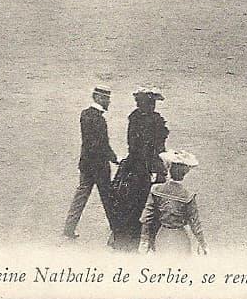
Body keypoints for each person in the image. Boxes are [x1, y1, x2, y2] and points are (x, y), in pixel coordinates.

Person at [110, 86, 169, 250]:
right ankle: (151, 240)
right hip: (147, 167)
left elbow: (132, 145)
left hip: (134, 165)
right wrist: (159, 167)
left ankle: (125, 237)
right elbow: (158, 148)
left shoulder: (134, 118)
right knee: (150, 202)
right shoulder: (156, 121)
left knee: (128, 201)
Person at [63, 86, 118, 240]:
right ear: (98, 98)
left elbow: (90, 143)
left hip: (86, 164)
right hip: (99, 167)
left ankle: (69, 228)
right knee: (108, 199)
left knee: (80, 196)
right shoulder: (99, 119)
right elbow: (102, 144)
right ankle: (117, 230)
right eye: (106, 98)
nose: (109, 101)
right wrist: (114, 159)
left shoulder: (85, 114)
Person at [138, 150, 208, 255]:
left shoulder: (156, 190)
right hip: (180, 238)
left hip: (163, 236)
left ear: (168, 169)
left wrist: (144, 240)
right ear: (184, 173)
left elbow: (146, 218)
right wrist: (203, 245)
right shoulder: (187, 195)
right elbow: (195, 224)